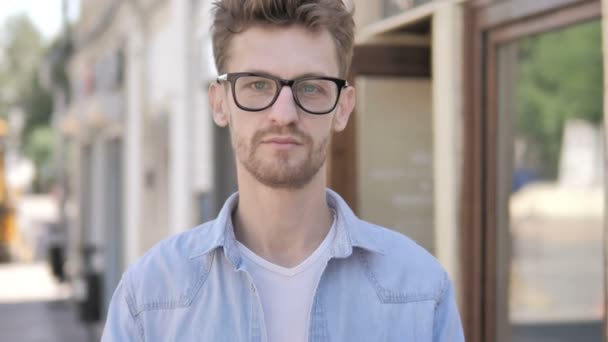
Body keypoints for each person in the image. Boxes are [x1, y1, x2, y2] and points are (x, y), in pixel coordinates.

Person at [102, 0, 465, 341]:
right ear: (219, 103)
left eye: (311, 87)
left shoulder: (420, 291)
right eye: (258, 85)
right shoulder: (149, 298)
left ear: (343, 107)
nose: (284, 114)